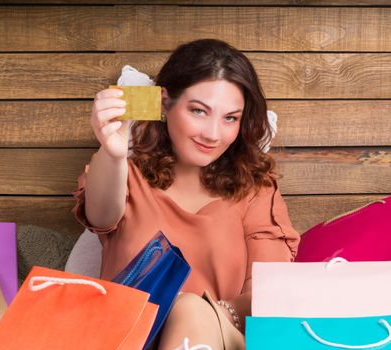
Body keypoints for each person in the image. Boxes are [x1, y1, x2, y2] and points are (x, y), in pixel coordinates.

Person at [73, 38, 300, 349]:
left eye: (230, 118)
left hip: (221, 338)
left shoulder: (255, 189)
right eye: (198, 111)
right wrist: (111, 154)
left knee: (188, 308)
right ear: (166, 105)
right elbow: (99, 216)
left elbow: (272, 292)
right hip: (127, 338)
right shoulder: (126, 174)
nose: (213, 134)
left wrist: (201, 311)